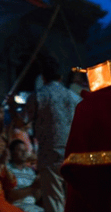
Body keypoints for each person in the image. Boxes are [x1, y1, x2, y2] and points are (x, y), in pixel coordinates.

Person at [26, 57, 80, 212]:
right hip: (72, 152)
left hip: (49, 154)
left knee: (54, 200)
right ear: (60, 77)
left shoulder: (38, 95)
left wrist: (11, 107)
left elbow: (23, 122)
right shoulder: (74, 97)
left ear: (43, 77)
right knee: (74, 198)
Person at [6, 139, 42, 212]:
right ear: (12, 153)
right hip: (16, 207)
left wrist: (38, 187)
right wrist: (32, 188)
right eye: (20, 150)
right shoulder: (8, 169)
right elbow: (10, 196)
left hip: (32, 206)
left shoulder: (30, 172)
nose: (24, 152)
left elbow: (36, 197)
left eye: (25, 150)